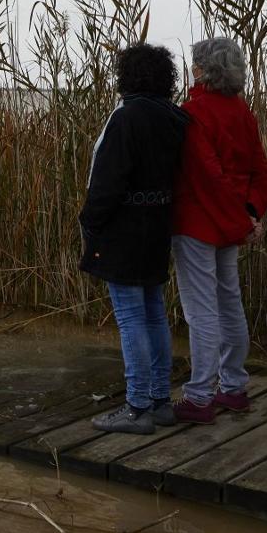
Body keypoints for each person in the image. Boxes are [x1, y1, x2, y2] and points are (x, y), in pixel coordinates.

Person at [81, 43, 189, 435]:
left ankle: (137, 407)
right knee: (153, 311)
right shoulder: (174, 117)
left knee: (130, 317)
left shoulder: (127, 118)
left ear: (127, 75)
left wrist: (90, 222)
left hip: (125, 228)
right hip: (157, 224)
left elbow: (108, 181)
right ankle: (160, 401)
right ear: (165, 77)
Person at [170, 37, 267, 424]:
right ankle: (233, 387)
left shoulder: (193, 112)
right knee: (229, 303)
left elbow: (206, 176)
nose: (192, 69)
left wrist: (239, 220)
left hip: (199, 223)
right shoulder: (242, 112)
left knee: (202, 311)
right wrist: (249, 215)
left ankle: (199, 396)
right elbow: (258, 171)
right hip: (231, 225)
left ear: (203, 69)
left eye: (195, 64)